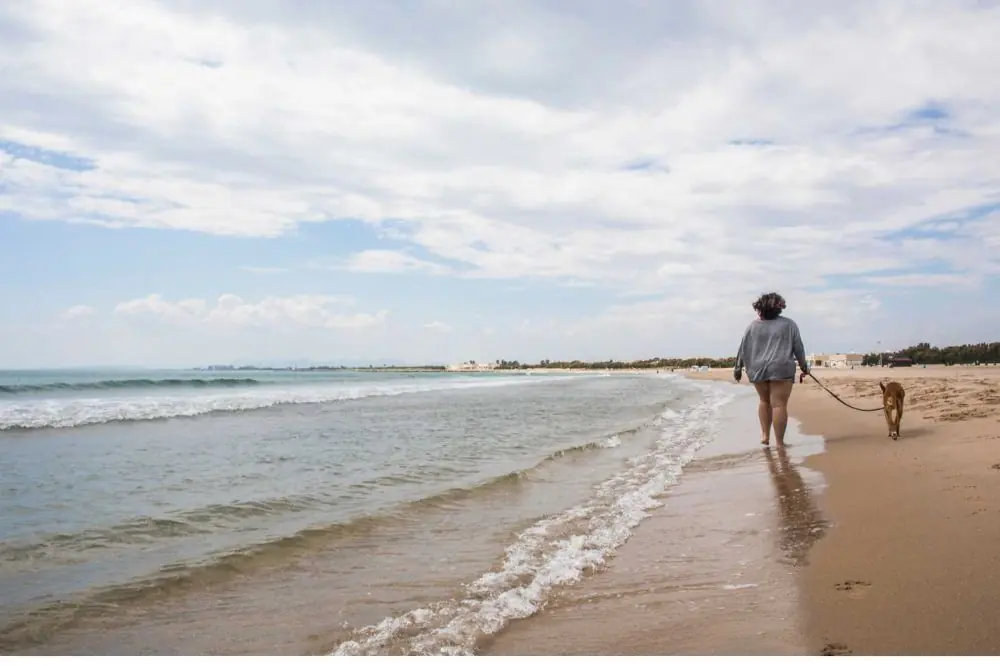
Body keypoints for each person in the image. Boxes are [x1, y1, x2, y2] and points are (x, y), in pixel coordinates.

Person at [733, 292, 809, 447]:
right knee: (779, 405)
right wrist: (803, 366)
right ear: (779, 307)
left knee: (764, 401)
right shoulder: (789, 324)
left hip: (757, 368)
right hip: (781, 368)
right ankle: (780, 443)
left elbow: (743, 348)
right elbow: (798, 347)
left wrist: (738, 368)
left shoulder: (752, 326)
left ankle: (765, 435)